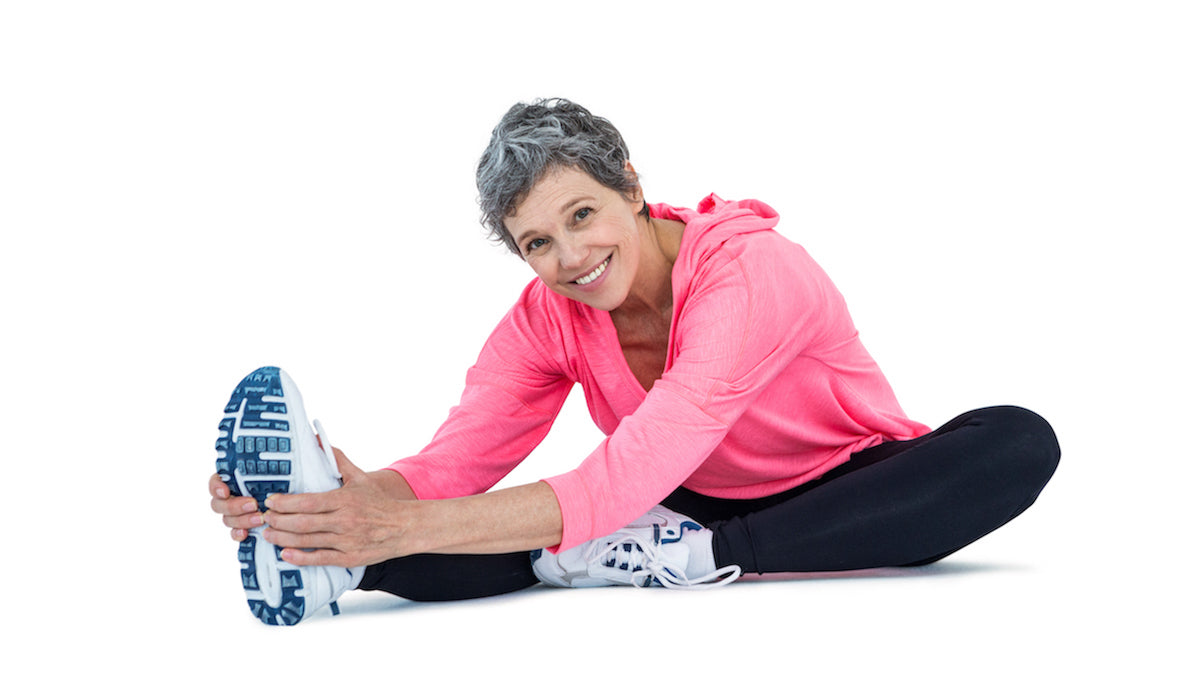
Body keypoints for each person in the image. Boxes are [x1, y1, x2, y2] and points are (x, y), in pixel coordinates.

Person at [209, 98, 1060, 625]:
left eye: (582, 214)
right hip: (675, 499)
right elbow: (463, 455)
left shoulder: (746, 270)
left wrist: (411, 522)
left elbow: (636, 462)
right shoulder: (549, 315)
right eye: (537, 242)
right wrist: (351, 505)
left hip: (844, 484)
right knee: (512, 527)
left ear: (630, 183)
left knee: (1015, 441)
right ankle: (328, 558)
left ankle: (702, 555)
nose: (570, 256)